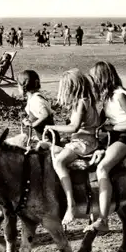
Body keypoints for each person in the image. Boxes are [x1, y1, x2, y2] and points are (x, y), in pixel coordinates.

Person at [86, 61, 126, 232]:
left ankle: (103, 219)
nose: (92, 82)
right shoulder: (107, 97)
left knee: (103, 168)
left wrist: (113, 127)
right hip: (115, 134)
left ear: (102, 78)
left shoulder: (120, 96)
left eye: (94, 78)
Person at [43, 69, 100, 225]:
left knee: (59, 162)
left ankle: (71, 204)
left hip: (83, 143)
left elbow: (74, 127)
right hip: (81, 140)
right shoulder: (87, 100)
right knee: (48, 149)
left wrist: (52, 127)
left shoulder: (82, 102)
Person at [17, 70, 60, 147]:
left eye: (17, 85)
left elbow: (45, 114)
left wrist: (32, 125)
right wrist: (29, 120)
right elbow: (37, 114)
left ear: (22, 86)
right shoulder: (34, 97)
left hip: (48, 140)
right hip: (45, 137)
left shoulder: (36, 100)